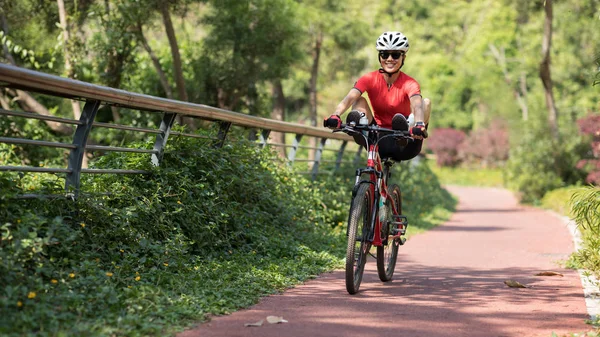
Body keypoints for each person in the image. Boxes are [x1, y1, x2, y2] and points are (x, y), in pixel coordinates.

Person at [323, 31, 431, 161]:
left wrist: (419, 124)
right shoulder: (369, 78)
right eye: (385, 54)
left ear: (403, 58)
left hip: (407, 144)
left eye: (395, 55)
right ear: (379, 57)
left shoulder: (409, 83)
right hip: (378, 138)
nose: (390, 59)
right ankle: (359, 126)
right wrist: (336, 115)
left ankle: (406, 129)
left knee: (426, 102)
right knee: (359, 100)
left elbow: (417, 104)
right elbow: (350, 97)